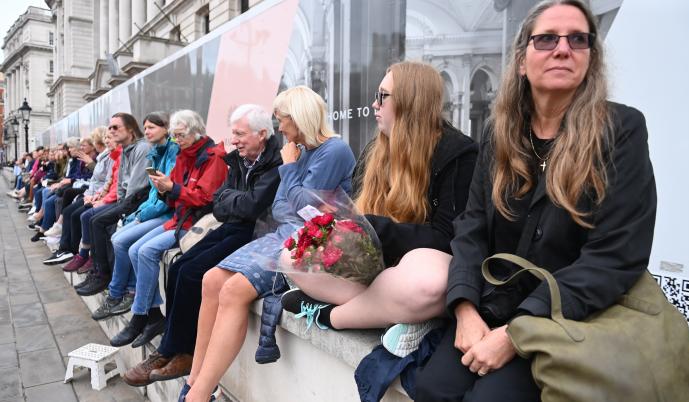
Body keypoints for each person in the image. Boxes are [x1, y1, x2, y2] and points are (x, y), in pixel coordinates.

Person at [413, 1, 657, 401]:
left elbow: (615, 255)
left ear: (590, 60)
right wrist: (464, 308)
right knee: (432, 388)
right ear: (522, 60)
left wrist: (517, 332)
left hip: (568, 317)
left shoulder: (622, 130)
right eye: (546, 39)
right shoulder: (500, 134)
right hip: (492, 308)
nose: (563, 49)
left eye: (578, 39)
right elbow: (471, 228)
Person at [281, 62, 478, 351]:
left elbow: (447, 238)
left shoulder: (459, 153)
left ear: (411, 101)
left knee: (430, 283)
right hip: (377, 271)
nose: (374, 103)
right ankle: (391, 312)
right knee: (290, 256)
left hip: (411, 270)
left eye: (383, 96)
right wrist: (341, 233)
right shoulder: (376, 149)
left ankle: (331, 314)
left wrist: (370, 227)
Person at [180, 86, 355, 402]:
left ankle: (199, 395)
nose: (280, 127)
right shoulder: (298, 150)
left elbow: (306, 211)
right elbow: (281, 208)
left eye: (282, 120)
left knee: (233, 291)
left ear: (299, 118)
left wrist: (289, 171)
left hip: (309, 242)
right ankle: (195, 379)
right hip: (283, 234)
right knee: (210, 280)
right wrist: (293, 182)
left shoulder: (333, 150)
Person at [123, 104, 283, 387]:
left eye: (240, 134)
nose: (234, 139)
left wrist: (232, 200)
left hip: (255, 233)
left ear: (261, 134)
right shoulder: (240, 159)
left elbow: (250, 206)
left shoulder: (275, 161)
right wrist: (234, 200)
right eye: (233, 133)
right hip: (231, 224)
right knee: (178, 265)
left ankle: (181, 351)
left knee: (193, 272)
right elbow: (220, 203)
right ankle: (169, 348)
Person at [109, 109, 228, 348]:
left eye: (181, 135)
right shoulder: (184, 154)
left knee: (145, 251)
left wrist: (171, 188)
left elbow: (205, 199)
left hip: (196, 225)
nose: (177, 140)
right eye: (174, 135)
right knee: (133, 250)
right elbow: (174, 198)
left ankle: (140, 315)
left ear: (196, 132)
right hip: (179, 219)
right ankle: (153, 315)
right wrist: (165, 190)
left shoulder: (213, 157)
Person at [91, 112, 178, 321]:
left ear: (166, 129)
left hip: (168, 214)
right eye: (146, 127)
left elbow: (162, 195)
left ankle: (126, 297)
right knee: (114, 235)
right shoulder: (154, 152)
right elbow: (150, 191)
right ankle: (120, 292)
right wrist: (135, 213)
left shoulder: (168, 152)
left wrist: (138, 214)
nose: (147, 131)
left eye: (152, 128)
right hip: (150, 208)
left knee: (124, 240)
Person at [75, 112, 152, 296]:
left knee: (98, 220)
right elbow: (119, 183)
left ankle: (103, 275)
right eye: (109, 127)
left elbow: (135, 186)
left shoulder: (142, 148)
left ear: (131, 130)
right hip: (126, 200)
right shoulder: (126, 149)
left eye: (115, 127)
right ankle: (98, 270)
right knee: (92, 217)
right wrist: (113, 201)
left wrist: (120, 208)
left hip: (137, 201)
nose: (110, 131)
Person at [43, 127, 110, 265]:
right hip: (92, 193)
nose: (68, 150)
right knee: (65, 206)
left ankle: (76, 252)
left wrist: (97, 195)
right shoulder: (100, 156)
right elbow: (99, 180)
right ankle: (65, 247)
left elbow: (105, 180)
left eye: (85, 145)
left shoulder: (104, 156)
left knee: (77, 213)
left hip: (98, 195)